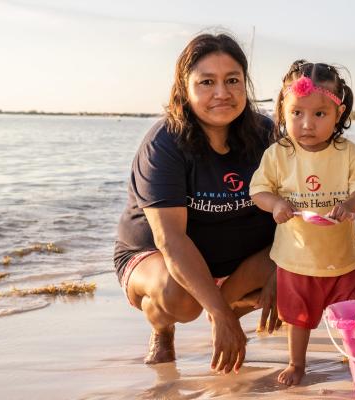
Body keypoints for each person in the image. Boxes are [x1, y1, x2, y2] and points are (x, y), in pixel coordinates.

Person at [113, 33, 280, 372]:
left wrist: (282, 268)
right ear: (184, 88)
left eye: (232, 80)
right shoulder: (165, 143)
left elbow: (294, 208)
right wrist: (217, 313)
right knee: (182, 299)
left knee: (299, 269)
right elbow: (171, 240)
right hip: (157, 257)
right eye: (207, 82)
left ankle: (227, 307)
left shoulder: (265, 134)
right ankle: (162, 328)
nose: (222, 93)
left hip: (238, 261)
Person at [250, 60, 355, 385]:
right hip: (295, 261)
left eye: (319, 114)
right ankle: (297, 363)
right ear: (282, 110)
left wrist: (349, 205)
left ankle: (354, 352)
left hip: (342, 259)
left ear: (339, 113)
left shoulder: (347, 152)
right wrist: (275, 203)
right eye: (297, 113)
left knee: (352, 314)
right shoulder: (278, 154)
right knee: (298, 317)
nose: (307, 123)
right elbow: (258, 191)